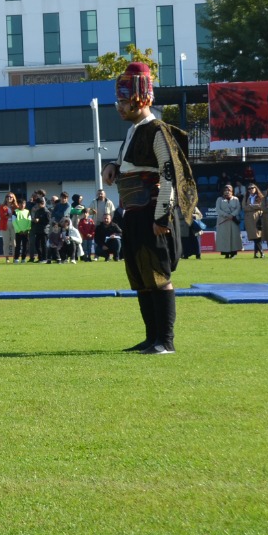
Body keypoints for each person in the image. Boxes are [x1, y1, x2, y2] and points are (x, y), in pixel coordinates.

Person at [102, 62, 198, 354]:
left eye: (123, 100)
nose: (119, 106)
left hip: (152, 212)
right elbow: (134, 164)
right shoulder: (134, 131)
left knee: (158, 277)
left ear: (138, 98)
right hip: (133, 212)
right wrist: (114, 165)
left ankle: (165, 340)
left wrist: (162, 217)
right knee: (142, 278)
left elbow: (168, 173)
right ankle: (150, 338)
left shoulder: (156, 129)